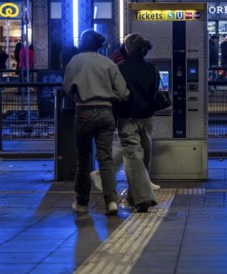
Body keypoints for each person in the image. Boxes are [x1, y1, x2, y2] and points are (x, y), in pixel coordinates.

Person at [63, 30, 130, 215]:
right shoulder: (108, 63)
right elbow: (124, 93)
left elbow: (67, 88)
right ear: (100, 45)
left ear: (83, 43)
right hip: (106, 112)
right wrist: (110, 97)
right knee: (106, 160)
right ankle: (111, 202)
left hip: (84, 111)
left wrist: (79, 95)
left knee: (83, 160)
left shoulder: (74, 62)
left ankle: (82, 202)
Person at [114, 33, 159, 212]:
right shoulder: (152, 69)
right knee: (144, 158)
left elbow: (117, 94)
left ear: (127, 48)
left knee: (133, 157)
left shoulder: (120, 69)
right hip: (147, 117)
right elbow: (154, 92)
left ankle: (143, 197)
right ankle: (134, 196)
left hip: (127, 118)